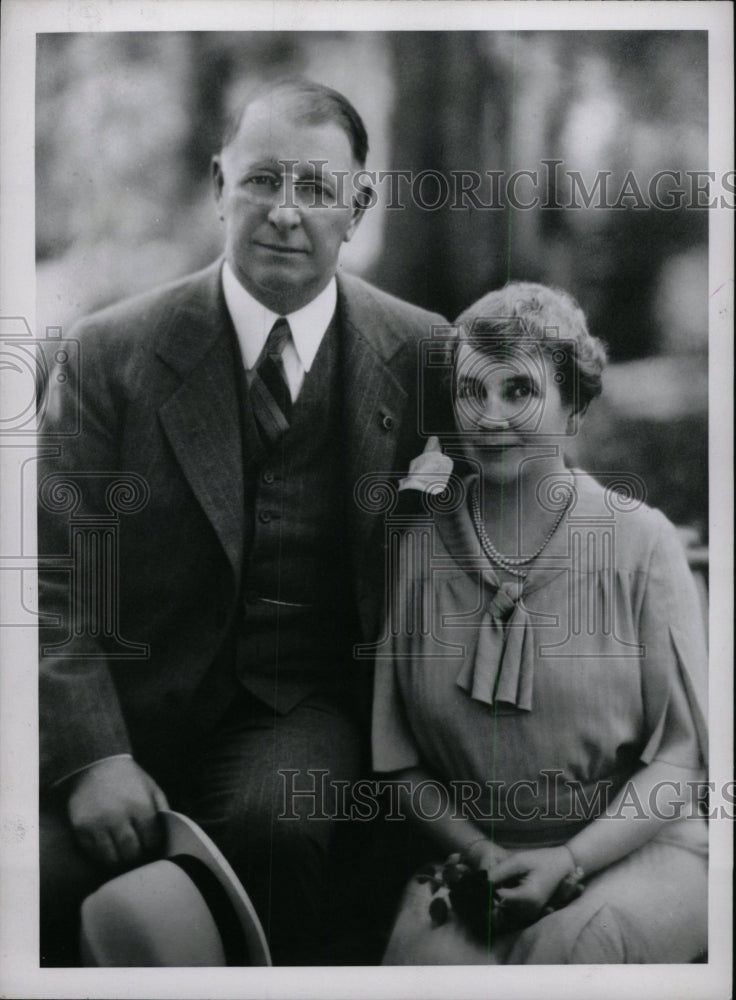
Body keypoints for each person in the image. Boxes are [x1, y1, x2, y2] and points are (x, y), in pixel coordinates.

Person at [38, 79, 448, 966]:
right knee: (28, 886)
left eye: (316, 187)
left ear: (360, 205)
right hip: (124, 704)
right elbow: (51, 572)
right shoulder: (110, 354)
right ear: (218, 185)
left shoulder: (422, 353)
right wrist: (90, 758)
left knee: (277, 827)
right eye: (262, 180)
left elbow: (511, 510)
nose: (286, 213)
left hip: (298, 708)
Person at [372, 282, 708, 964]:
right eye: (474, 392)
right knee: (430, 969)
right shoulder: (418, 546)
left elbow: (679, 760)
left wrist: (571, 859)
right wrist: (483, 853)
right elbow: (398, 762)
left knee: (573, 949)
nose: (491, 416)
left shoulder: (640, 541)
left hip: (632, 848)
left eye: (519, 391)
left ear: (574, 409)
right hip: (477, 858)